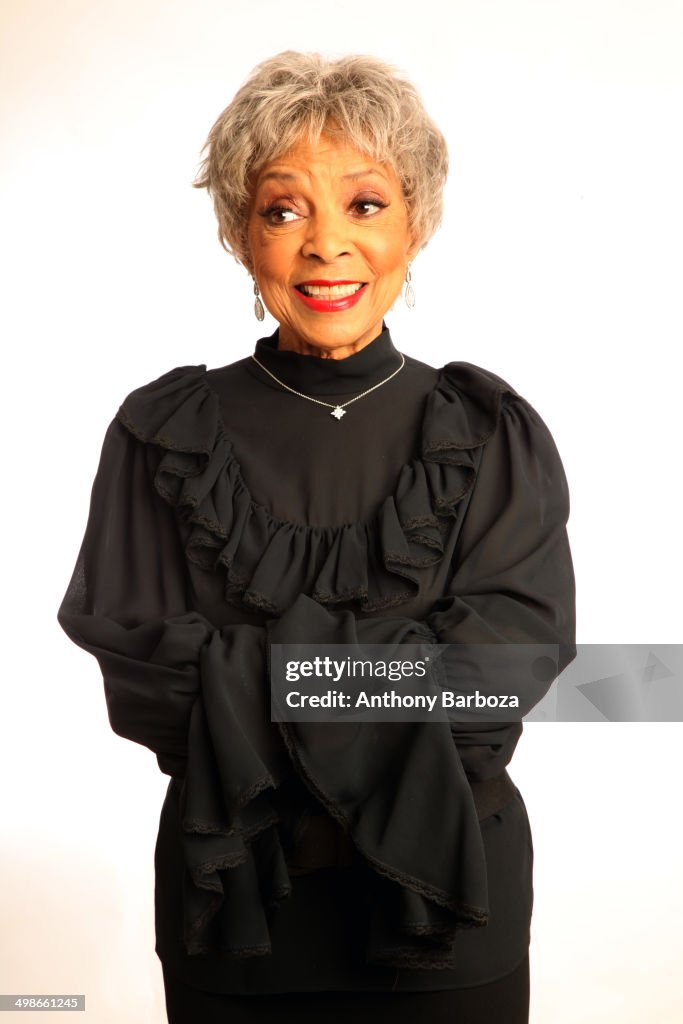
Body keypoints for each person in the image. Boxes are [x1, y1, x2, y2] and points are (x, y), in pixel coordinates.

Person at [57, 51, 576, 1024]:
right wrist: (392, 672)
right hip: (235, 906)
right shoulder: (161, 433)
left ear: (416, 222)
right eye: (282, 210)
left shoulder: (487, 430)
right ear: (238, 234)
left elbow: (498, 676)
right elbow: (148, 684)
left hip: (447, 912)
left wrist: (251, 676)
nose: (325, 244)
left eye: (364, 204)